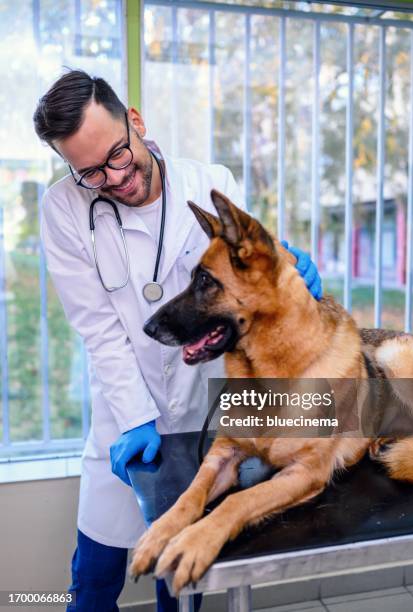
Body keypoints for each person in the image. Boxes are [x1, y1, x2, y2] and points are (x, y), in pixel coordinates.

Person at [33, 69, 322, 612]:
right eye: (89, 172)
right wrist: (137, 415)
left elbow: (248, 277)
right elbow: (99, 328)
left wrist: (290, 277)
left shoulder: (209, 183)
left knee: (179, 583)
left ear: (135, 122)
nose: (114, 179)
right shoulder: (63, 209)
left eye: (118, 156)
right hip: (125, 417)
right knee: (92, 584)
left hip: (209, 404)